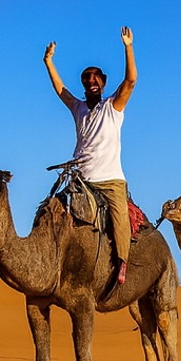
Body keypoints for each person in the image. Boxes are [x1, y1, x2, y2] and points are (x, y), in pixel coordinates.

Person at [44, 27, 136, 285]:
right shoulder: (79, 109)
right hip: (80, 179)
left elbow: (130, 82)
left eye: (96, 79)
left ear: (103, 84)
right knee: (50, 211)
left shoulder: (113, 107)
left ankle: (122, 262)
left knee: (119, 219)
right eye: (87, 79)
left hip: (109, 180)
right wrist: (48, 62)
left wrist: (128, 47)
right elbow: (61, 90)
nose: (91, 82)